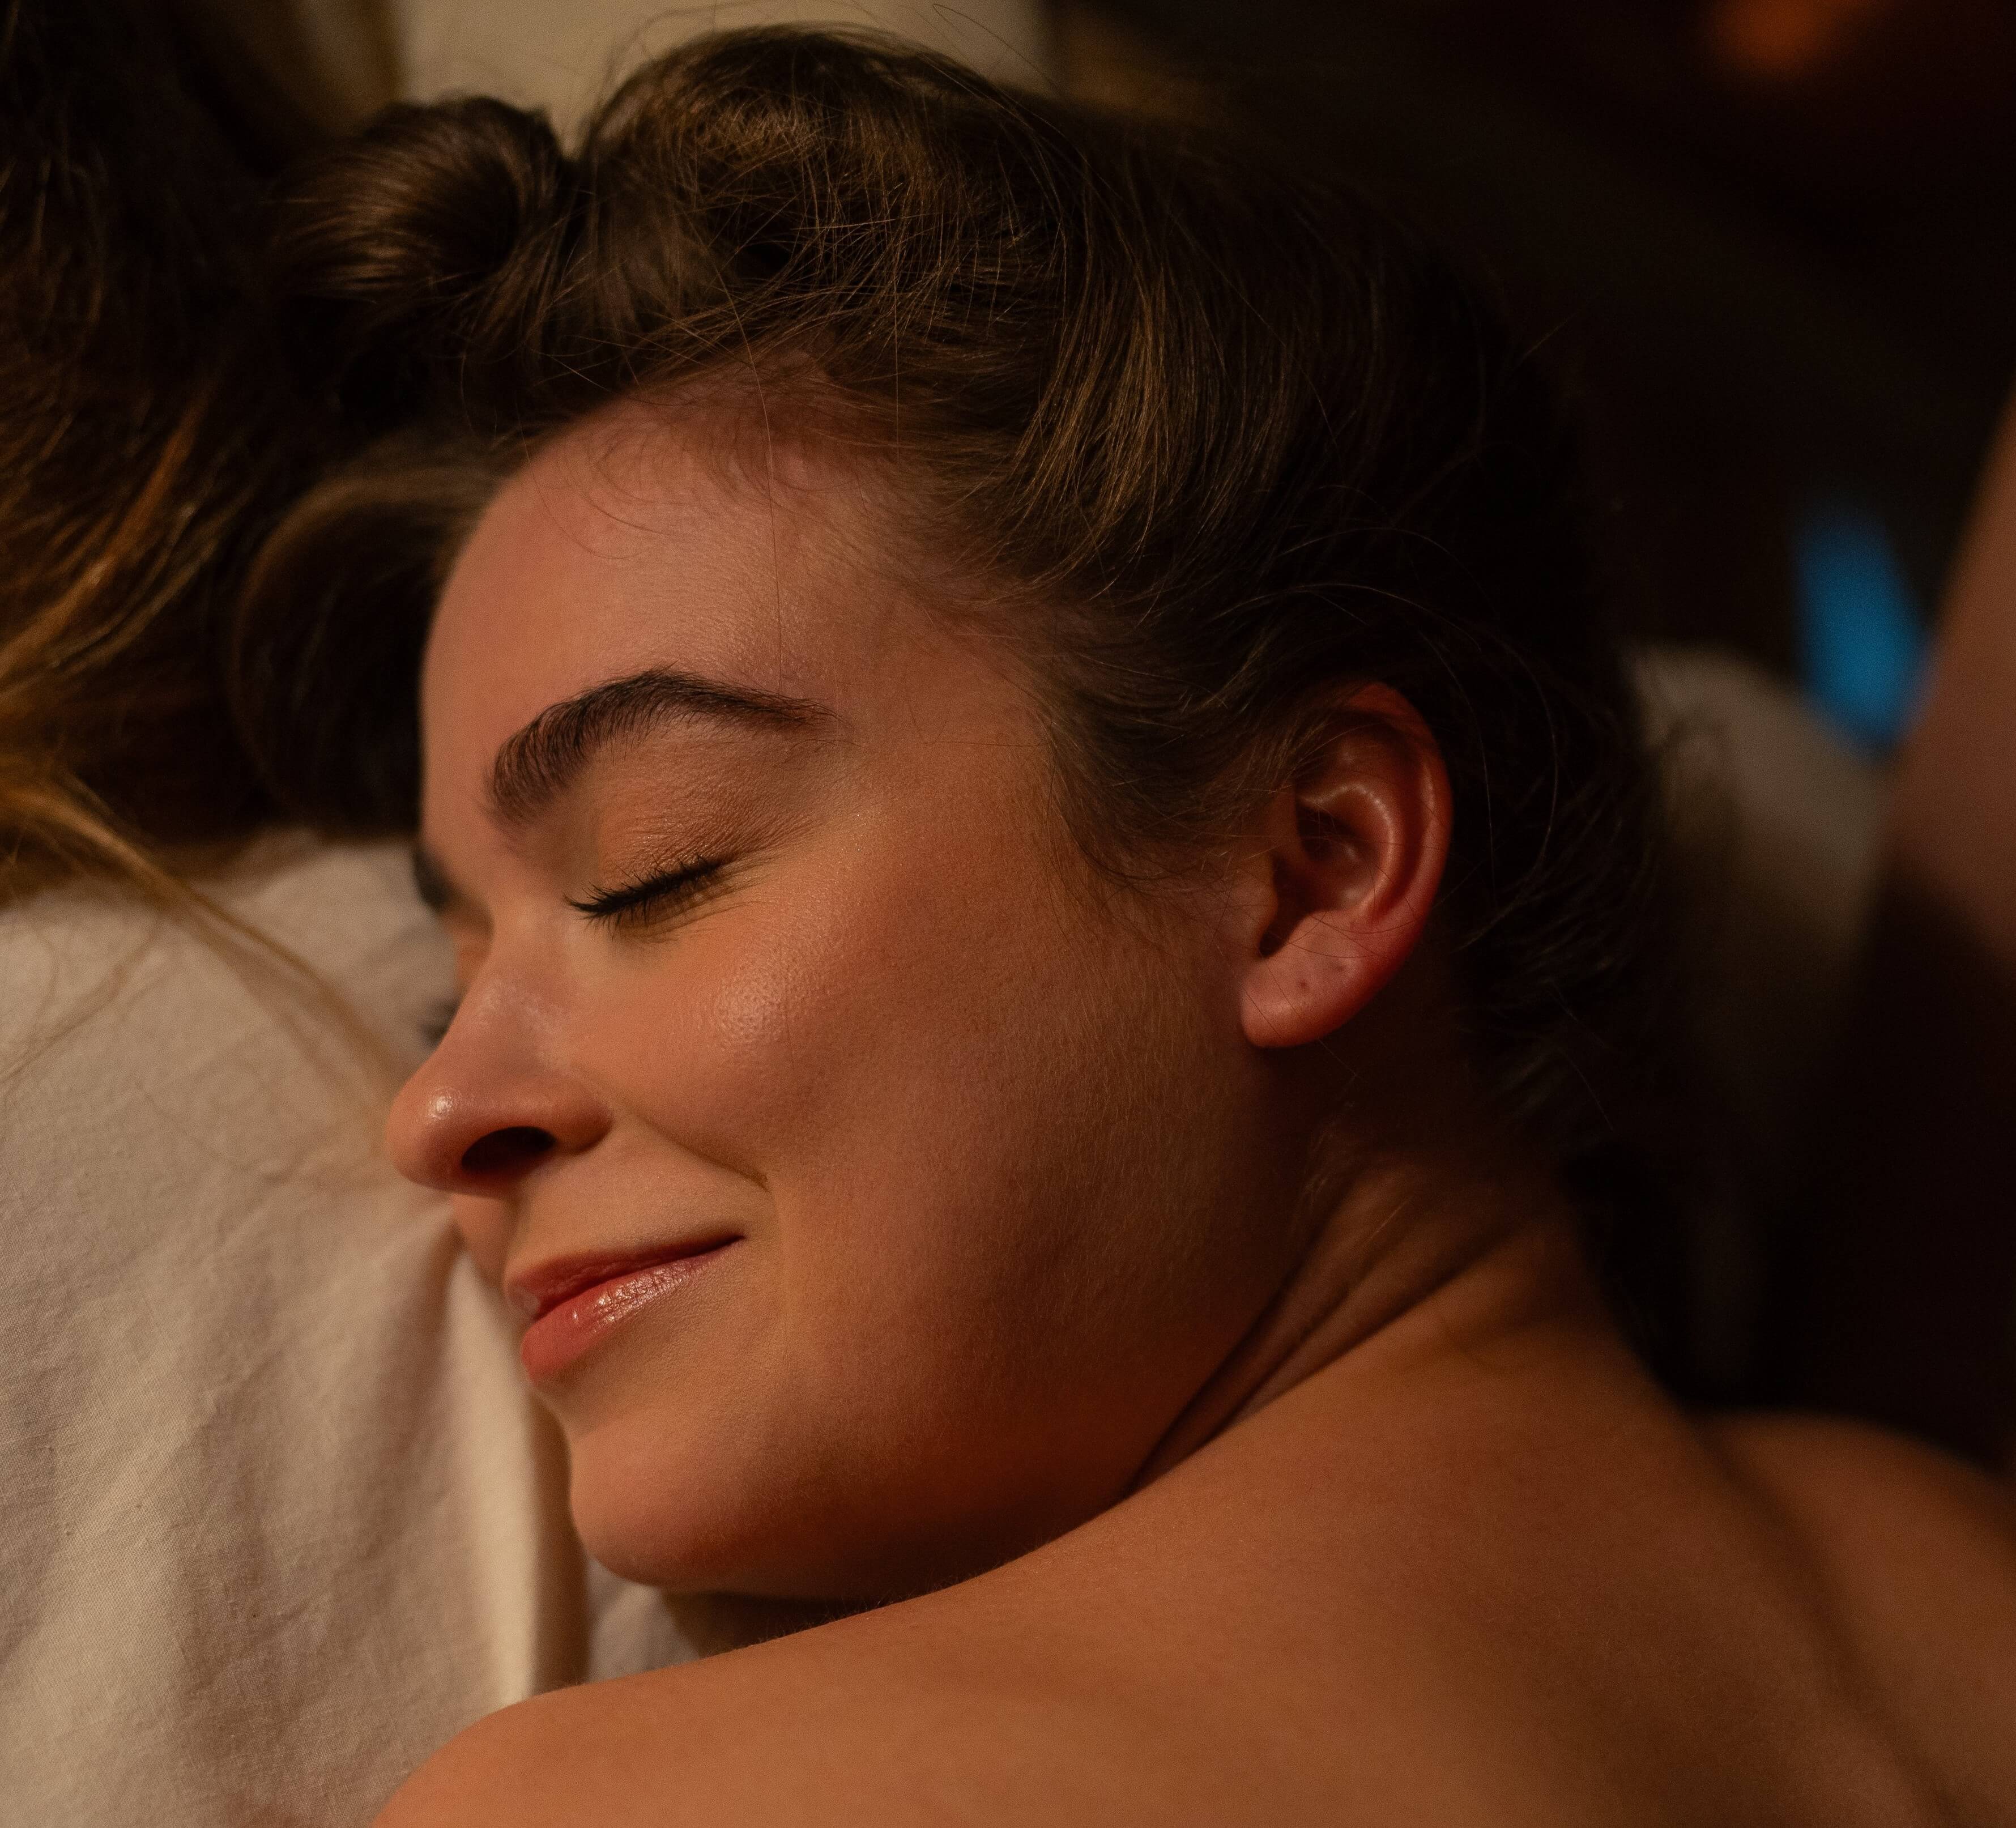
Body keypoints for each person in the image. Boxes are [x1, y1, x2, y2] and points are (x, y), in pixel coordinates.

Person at [222, 25, 2016, 1825]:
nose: (438, 1112)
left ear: (1314, 864)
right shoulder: (1958, 1565)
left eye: (652, 870)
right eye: (460, 954)